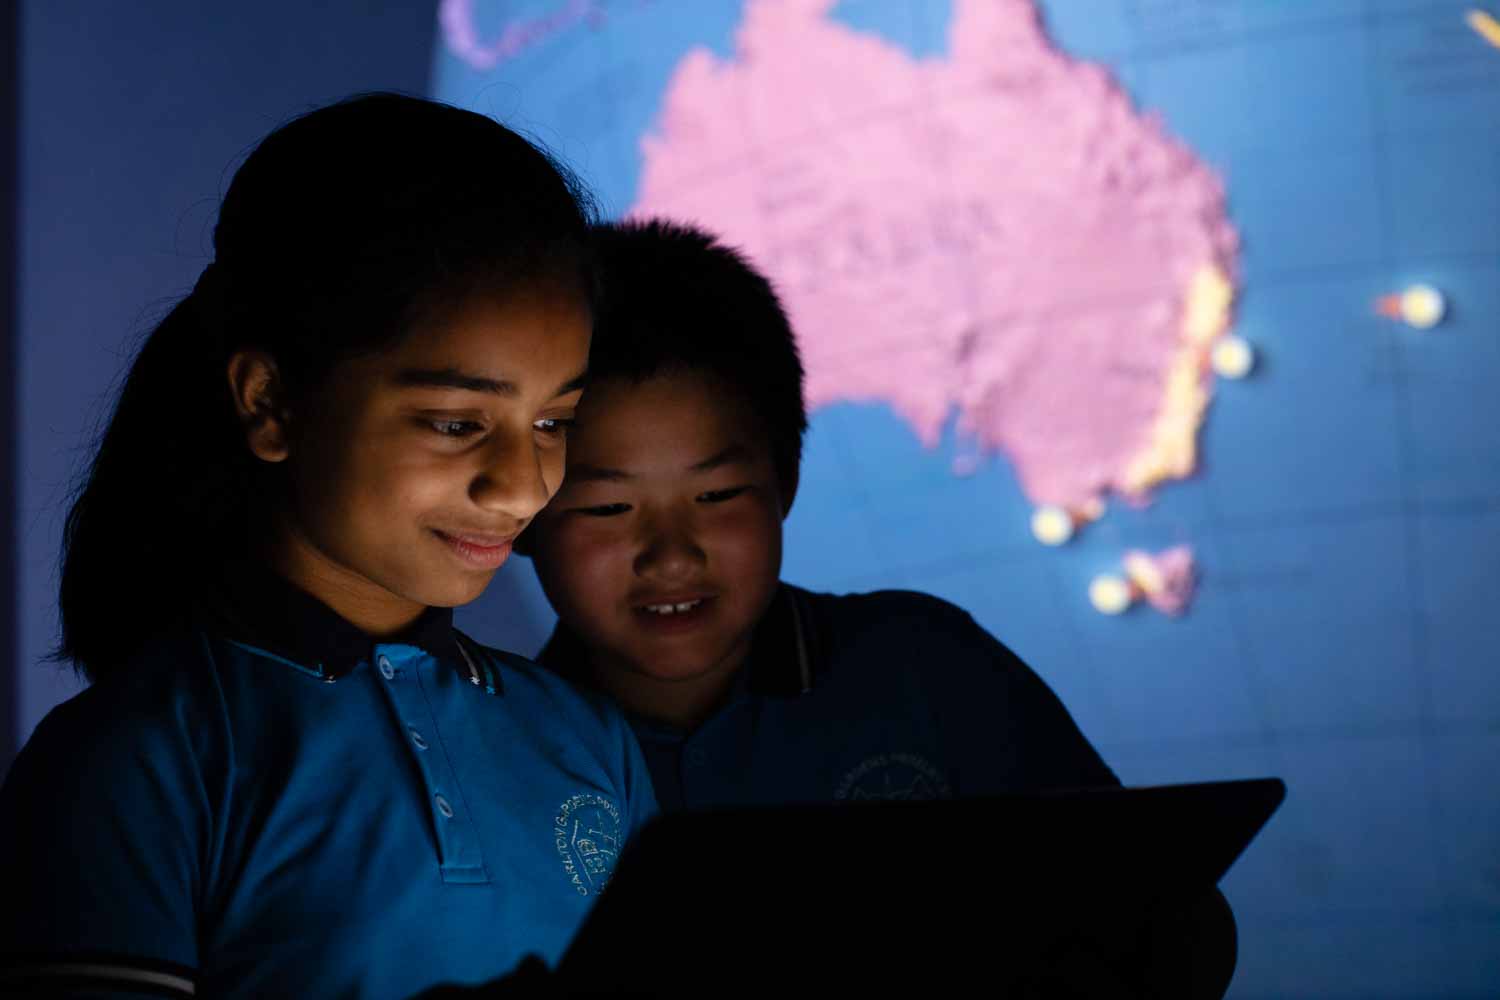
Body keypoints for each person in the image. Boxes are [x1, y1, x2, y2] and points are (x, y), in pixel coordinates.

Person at [0, 94, 653, 1000]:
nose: (520, 484)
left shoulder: (587, 740)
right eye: (457, 422)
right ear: (271, 402)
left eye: (553, 420)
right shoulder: (140, 762)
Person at [519, 219, 1237, 998]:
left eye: (717, 495)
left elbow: (1162, 914)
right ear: (521, 512)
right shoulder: (492, 751)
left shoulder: (925, 669)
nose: (671, 555)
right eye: (606, 508)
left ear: (785, 482)